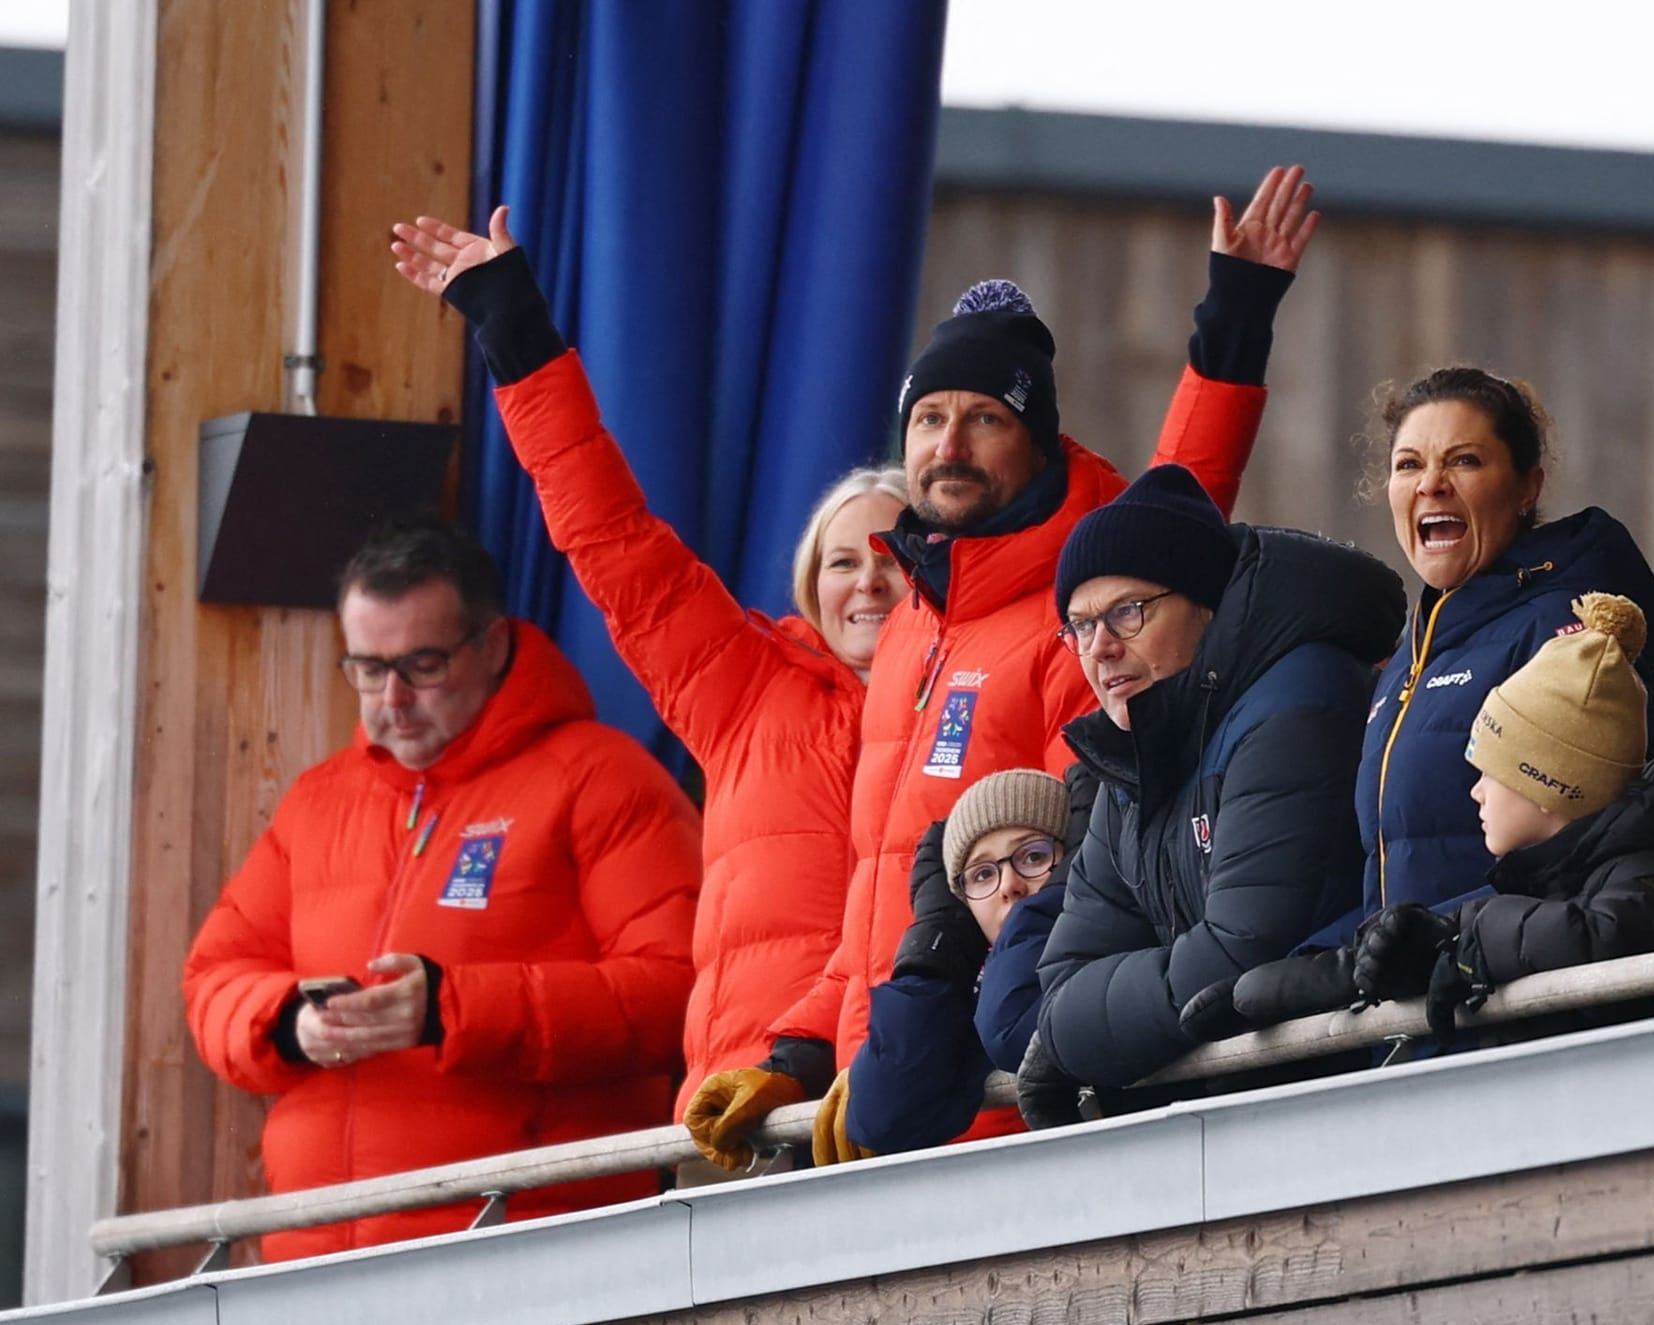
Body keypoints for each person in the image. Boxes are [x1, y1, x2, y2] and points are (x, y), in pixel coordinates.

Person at [684, 166, 1324, 1171]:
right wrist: (807, 1051)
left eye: (983, 417)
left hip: (1004, 1106)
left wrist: (1233, 321)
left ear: (1036, 439)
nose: (949, 443)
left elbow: (1184, 506)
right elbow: (876, 896)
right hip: (886, 1093)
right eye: (929, 418)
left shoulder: (1077, 608)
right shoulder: (913, 627)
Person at [391, 209, 911, 1158]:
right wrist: (514, 327)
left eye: (892, 554)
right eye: (841, 562)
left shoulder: (967, 697)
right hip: (750, 1112)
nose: (867, 580)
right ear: (809, 584)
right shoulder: (746, 687)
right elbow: (612, 538)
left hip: (911, 1099)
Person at [182, 520, 701, 1259]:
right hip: (315, 1262)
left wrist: (454, 1009)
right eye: (366, 667)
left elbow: (679, 993)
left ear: (491, 648)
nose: (392, 697)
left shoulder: (602, 779)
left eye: (422, 665)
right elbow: (212, 978)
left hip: (527, 1252)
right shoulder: (318, 801)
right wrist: (287, 1021)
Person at [1019, 465, 1404, 1114]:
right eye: (1080, 626)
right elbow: (1058, 978)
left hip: (1352, 1111)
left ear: (1207, 606)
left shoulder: (1299, 704)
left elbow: (1236, 956)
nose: (1101, 648)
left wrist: (1065, 1033)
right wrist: (1065, 1021)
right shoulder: (1135, 756)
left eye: (1127, 612)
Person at [1343, 594, 1654, 1048]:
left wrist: (1472, 936)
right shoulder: (1566, 879)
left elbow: (1607, 936)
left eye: (1489, 772)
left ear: (1547, 785)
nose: (1475, 791)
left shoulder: (1652, 874)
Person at [1355, 368, 1654, 922]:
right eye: (1409, 464)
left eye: (1464, 460)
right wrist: (1321, 960)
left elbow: (1587, 859)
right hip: (1426, 990)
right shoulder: (1412, 650)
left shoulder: (1565, 632)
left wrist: (1430, 943)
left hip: (1515, 987)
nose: (1431, 483)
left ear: (1529, 487)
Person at [811, 767, 1093, 1164]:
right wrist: (938, 944)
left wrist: (1060, 899)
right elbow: (884, 1113)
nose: (1009, 884)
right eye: (982, 874)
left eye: (1034, 856)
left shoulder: (1110, 943)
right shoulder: (968, 999)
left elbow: (1018, 1022)